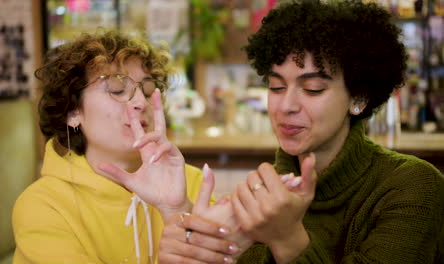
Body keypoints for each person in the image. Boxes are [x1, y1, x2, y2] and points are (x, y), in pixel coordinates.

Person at [158, 0, 444, 263]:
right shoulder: (260, 198)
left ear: (358, 97)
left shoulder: (412, 186)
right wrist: (193, 241)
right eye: (276, 87)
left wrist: (287, 238)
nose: (286, 106)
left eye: (312, 89)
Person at [11, 30, 238, 264]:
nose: (141, 102)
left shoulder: (188, 182)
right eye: (117, 89)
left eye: (148, 90)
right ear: (72, 111)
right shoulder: (43, 205)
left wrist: (177, 209)